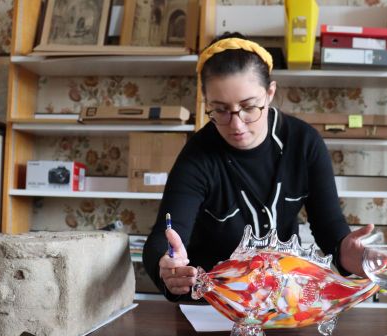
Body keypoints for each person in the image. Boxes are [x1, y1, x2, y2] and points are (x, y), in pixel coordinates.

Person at [143, 33, 375, 301]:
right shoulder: (198, 155)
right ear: (207, 103)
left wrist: (349, 253)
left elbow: (329, 228)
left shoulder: (304, 143)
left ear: (270, 93)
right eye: (220, 110)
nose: (236, 124)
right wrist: (167, 268)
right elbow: (166, 235)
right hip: (213, 304)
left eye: (249, 107)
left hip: (284, 302)